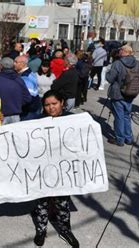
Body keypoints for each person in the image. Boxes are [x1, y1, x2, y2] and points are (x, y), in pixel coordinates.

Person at [31, 90, 80, 248]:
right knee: (41, 203)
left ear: (62, 103)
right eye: (47, 105)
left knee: (62, 203)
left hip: (63, 172)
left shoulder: (72, 120)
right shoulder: (38, 121)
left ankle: (65, 230)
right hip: (43, 171)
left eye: (54, 104)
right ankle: (41, 230)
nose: (51, 108)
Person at [105, 45, 139, 146]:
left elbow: (110, 79)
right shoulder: (137, 63)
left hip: (118, 93)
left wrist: (107, 72)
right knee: (126, 116)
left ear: (123, 51)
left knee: (119, 117)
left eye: (120, 50)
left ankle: (120, 139)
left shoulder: (117, 63)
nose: (119, 51)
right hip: (131, 93)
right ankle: (128, 138)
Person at [0, 57, 32, 124]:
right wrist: (17, 104)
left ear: (1, 66)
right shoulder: (19, 79)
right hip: (16, 116)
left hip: (1, 116)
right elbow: (27, 98)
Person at [14, 55, 41, 120]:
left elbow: (28, 97)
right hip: (30, 109)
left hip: (28, 111)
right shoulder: (28, 73)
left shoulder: (25, 77)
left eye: (16, 62)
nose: (13, 64)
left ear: (22, 64)